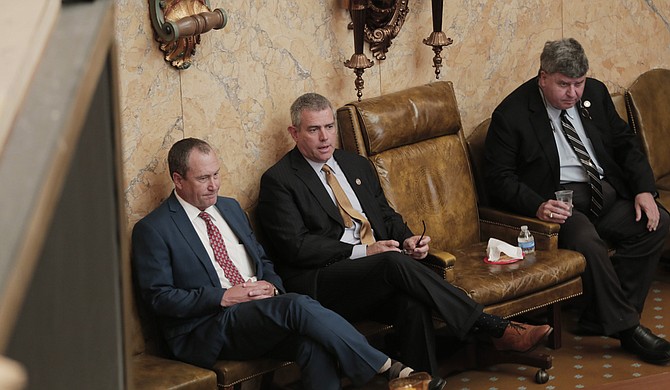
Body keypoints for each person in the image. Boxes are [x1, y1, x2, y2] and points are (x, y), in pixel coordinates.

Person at [257, 93, 553, 375]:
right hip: (323, 281)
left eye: (329, 127)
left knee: (409, 301)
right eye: (313, 130)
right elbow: (296, 247)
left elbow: (385, 214)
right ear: (294, 133)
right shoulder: (279, 181)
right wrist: (364, 252)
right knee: (392, 263)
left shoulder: (354, 164)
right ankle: (494, 328)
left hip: (377, 273)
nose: (324, 137)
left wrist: (408, 239)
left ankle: (420, 380)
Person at [131, 138, 448, 390]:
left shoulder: (228, 208)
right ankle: (387, 367)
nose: (214, 185)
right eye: (203, 178)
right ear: (178, 179)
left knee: (312, 344)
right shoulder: (154, 229)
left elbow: (262, 260)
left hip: (259, 311)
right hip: (208, 326)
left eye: (216, 174)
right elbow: (159, 298)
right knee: (296, 305)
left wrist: (271, 287)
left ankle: (383, 368)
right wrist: (225, 296)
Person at [484, 38, 670, 364]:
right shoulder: (511, 114)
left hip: (604, 194)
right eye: (564, 85)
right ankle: (628, 330)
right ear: (543, 77)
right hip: (560, 206)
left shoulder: (594, 95)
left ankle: (600, 316)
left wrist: (644, 190)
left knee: (657, 222)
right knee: (588, 242)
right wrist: (537, 205)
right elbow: (499, 178)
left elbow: (626, 144)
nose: (573, 93)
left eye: (579, 83)